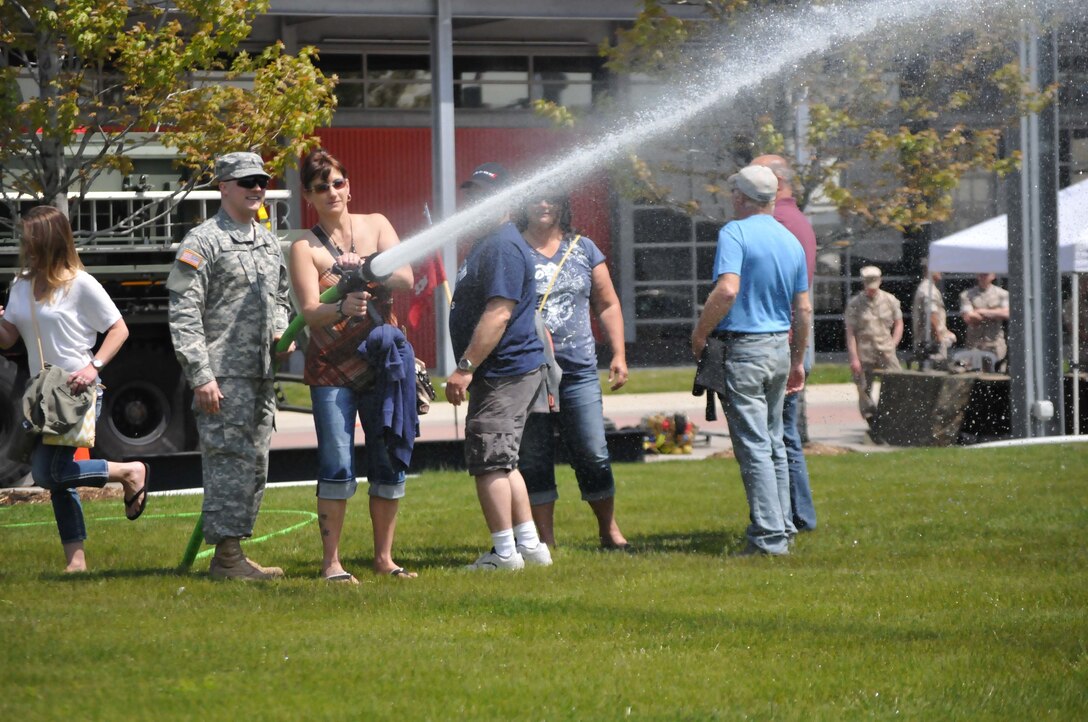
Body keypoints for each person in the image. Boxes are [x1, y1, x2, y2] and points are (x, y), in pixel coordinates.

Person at [290, 149, 416, 583]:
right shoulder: (303, 247)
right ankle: (332, 564)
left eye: (338, 183)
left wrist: (366, 270)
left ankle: (384, 559)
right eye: (321, 186)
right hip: (330, 369)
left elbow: (407, 277)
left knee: (387, 459)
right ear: (308, 195)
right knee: (337, 462)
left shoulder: (377, 224)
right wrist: (342, 303)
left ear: (349, 185)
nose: (332, 192)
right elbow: (309, 312)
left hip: (382, 364)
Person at [0, 206, 149, 573]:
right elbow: (8, 340)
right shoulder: (20, 283)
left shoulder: (79, 283)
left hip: (76, 391)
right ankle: (76, 562)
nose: (25, 244)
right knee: (57, 477)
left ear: (49, 240)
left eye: (30, 237)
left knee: (48, 473)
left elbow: (119, 329)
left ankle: (129, 472)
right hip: (41, 395)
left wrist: (92, 366)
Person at [168, 151, 292, 581]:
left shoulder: (267, 240)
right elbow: (184, 312)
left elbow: (279, 297)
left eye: (261, 180)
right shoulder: (201, 242)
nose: (257, 188)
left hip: (260, 373)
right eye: (246, 182)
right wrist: (200, 375)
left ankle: (234, 550)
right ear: (223, 187)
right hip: (222, 376)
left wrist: (280, 329)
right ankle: (226, 557)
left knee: (255, 464)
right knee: (227, 462)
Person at [690, 164, 811, 556]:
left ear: (741, 197)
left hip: (744, 349)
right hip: (779, 347)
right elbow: (804, 309)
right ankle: (783, 530)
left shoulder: (734, 232)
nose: (731, 200)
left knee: (755, 446)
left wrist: (700, 333)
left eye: (733, 194)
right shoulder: (791, 239)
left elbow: (727, 291)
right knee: (774, 442)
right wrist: (796, 360)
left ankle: (768, 538)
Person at [446, 162, 552, 571]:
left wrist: (465, 366)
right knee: (505, 461)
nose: (474, 201)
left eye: (483, 193)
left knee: (489, 460)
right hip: (508, 370)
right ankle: (530, 547)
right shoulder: (491, 241)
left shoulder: (502, 246)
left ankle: (504, 554)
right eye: (470, 193)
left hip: (503, 370)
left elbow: (498, 314)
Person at [514, 191, 630, 550]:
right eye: (535, 198)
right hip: (527, 369)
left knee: (592, 451)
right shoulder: (511, 248)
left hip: (578, 369)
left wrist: (618, 354)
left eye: (550, 199)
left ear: (563, 205)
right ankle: (545, 542)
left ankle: (609, 531)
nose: (543, 204)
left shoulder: (583, 248)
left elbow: (607, 303)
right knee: (533, 456)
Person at [752, 154, 816, 532]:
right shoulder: (795, 220)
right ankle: (796, 516)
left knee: (778, 437)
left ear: (775, 182)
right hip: (791, 341)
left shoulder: (777, 222)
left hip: (782, 342)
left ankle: (790, 518)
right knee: (783, 435)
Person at [845, 265, 902, 425]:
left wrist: (893, 343)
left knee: (897, 380)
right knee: (863, 386)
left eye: (874, 287)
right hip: (865, 352)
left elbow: (899, 324)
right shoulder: (855, 304)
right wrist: (854, 358)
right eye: (869, 287)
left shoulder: (890, 300)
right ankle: (871, 419)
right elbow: (850, 333)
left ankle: (891, 415)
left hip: (886, 350)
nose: (872, 290)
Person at [959, 273, 1009, 370]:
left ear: (993, 276)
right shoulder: (967, 295)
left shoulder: (1002, 294)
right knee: (973, 376)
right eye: (981, 274)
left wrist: (981, 311)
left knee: (998, 376)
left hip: (995, 343)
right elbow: (968, 317)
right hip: (974, 344)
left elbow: (1007, 314)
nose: (982, 277)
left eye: (986, 274)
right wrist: (995, 314)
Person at [911, 262, 956, 369]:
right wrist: (939, 337)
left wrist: (944, 330)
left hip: (930, 342)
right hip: (931, 344)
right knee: (936, 378)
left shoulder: (928, 287)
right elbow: (931, 314)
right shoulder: (928, 289)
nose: (941, 272)